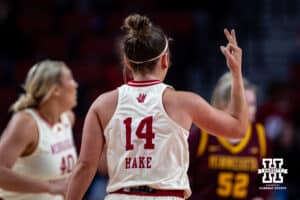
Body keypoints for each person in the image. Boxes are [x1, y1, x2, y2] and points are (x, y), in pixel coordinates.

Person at [66, 13, 248, 200]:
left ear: (127, 62)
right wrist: (236, 73)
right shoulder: (184, 102)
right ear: (165, 60)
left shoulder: (102, 104)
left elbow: (85, 167)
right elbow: (239, 129)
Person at [0, 60, 78, 200]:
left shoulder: (68, 118)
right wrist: (50, 187)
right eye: (70, 79)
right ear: (56, 90)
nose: (75, 84)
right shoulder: (26, 123)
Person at [188, 72, 272, 200]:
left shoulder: (261, 135)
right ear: (224, 104)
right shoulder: (202, 134)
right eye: (246, 104)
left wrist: (261, 196)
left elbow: (273, 177)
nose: (252, 110)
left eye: (253, 104)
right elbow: (179, 174)